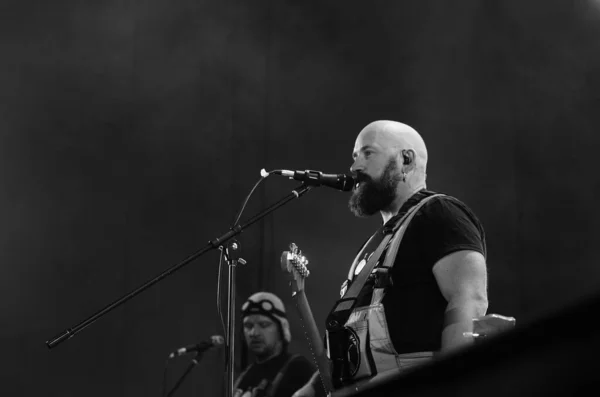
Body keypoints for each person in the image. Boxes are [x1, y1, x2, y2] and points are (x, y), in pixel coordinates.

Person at [293, 120, 489, 396]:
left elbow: (469, 301)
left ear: (406, 160)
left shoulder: (440, 214)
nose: (354, 167)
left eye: (367, 153)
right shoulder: (373, 247)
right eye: (354, 156)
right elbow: (349, 354)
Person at [233, 291, 316, 397]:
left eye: (264, 325)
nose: (254, 333)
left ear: (281, 329)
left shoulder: (299, 370)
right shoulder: (245, 375)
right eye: (248, 326)